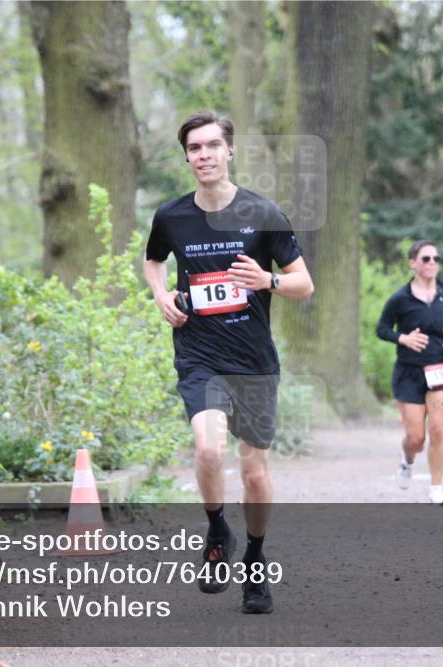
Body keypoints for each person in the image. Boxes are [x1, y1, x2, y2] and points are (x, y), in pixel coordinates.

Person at [143, 111, 314, 614]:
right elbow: (154, 260)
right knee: (209, 451)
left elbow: (304, 284)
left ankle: (255, 559)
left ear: (229, 151)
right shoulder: (171, 216)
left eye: (212, 146)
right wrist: (160, 295)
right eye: (194, 148)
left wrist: (269, 282)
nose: (204, 156)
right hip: (199, 355)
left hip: (253, 360)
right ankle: (218, 530)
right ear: (187, 157)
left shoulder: (263, 213)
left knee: (255, 474)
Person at [376, 241, 443, 504]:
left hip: (439, 368)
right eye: (426, 258)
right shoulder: (399, 299)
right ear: (412, 263)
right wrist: (402, 339)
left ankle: (436, 488)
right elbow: (382, 329)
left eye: (436, 259)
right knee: (416, 438)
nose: (432, 263)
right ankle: (407, 459)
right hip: (408, 372)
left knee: (438, 430)